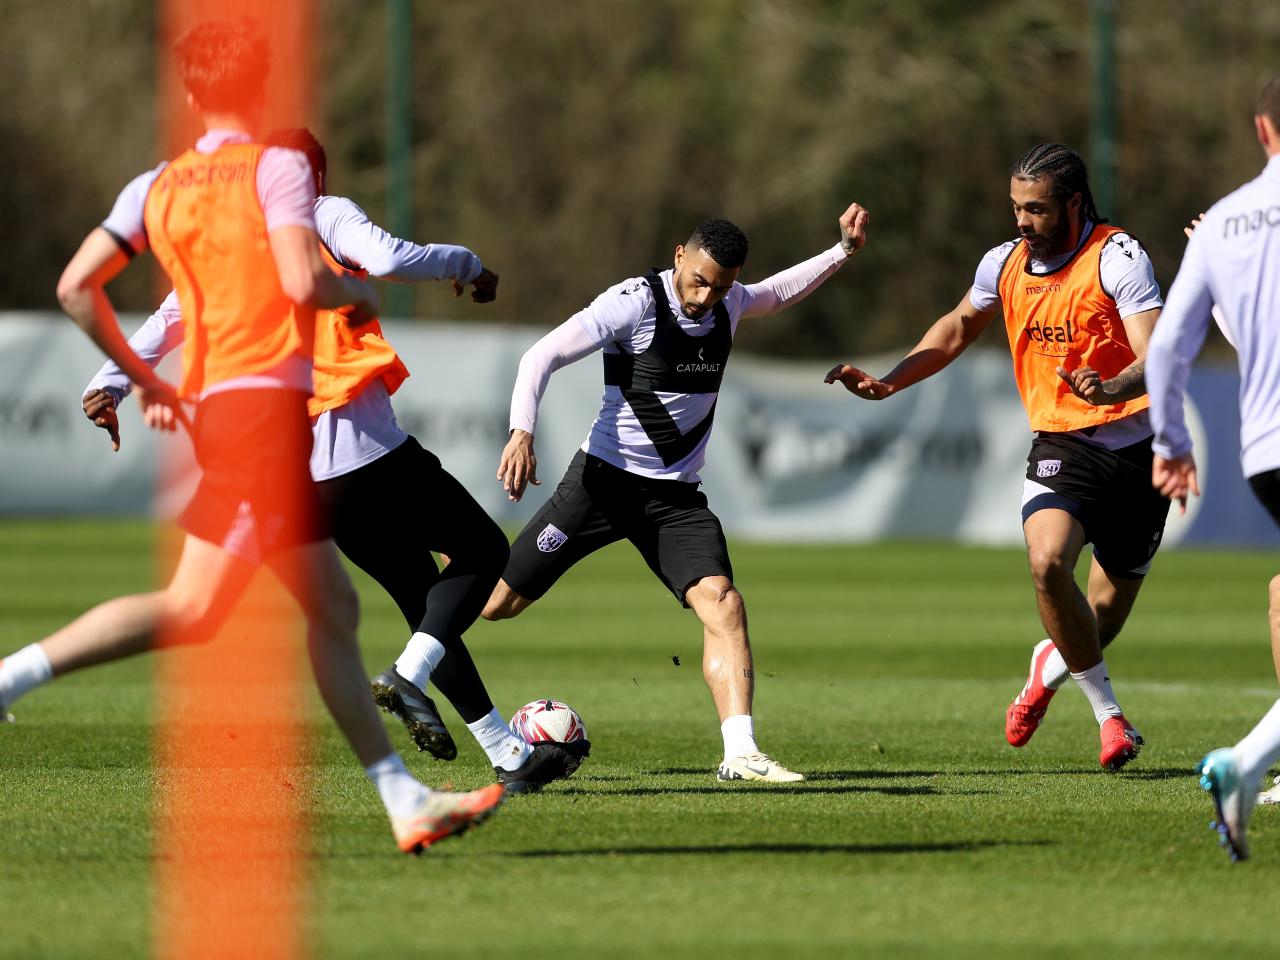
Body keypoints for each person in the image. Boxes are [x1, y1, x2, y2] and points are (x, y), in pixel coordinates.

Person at [0, 21, 503, 853]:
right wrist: (357, 301)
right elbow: (305, 277)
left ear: (189, 92)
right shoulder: (277, 170)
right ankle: (14, 673)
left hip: (230, 417)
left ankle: (403, 800)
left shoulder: (154, 187)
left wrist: (140, 377)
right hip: (265, 418)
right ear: (265, 90)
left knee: (334, 607)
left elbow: (74, 287)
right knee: (194, 608)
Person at [76, 127, 585, 794]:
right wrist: (466, 264)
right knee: (486, 551)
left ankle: (508, 755)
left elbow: (168, 318)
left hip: (302, 477)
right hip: (366, 449)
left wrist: (106, 382)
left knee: (422, 597)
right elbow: (388, 255)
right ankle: (409, 674)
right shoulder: (320, 211)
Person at [481, 204, 870, 782]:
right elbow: (541, 356)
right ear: (678, 256)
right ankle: (453, 560)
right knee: (494, 605)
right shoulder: (634, 302)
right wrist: (521, 431)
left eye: (720, 287)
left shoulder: (730, 302)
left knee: (724, 604)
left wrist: (841, 251)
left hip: (675, 501)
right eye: (698, 281)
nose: (706, 297)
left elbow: (777, 292)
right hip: (603, 484)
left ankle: (741, 753)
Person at [826, 143, 1165, 772]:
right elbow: (957, 327)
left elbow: (1159, 356)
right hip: (1063, 443)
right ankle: (1111, 719)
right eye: (1015, 208)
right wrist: (889, 382)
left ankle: (1047, 668)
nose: (1021, 221)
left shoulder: (1117, 257)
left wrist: (1115, 386)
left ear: (1072, 203)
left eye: (1036, 210)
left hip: (1138, 451)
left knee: (1099, 621)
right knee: (1046, 561)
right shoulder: (1004, 263)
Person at [1146, 73, 1280, 860]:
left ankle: (1251, 763)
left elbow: (1168, 345)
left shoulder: (1224, 224)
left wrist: (1171, 444)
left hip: (1266, 452)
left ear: (1262, 129)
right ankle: (1247, 761)